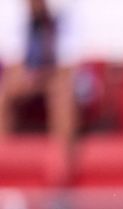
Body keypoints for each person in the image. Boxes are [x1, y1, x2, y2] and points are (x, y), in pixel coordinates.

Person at [0, 0, 75, 143]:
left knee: (62, 94)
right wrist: (26, 79)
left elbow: (67, 67)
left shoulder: (62, 22)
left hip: (56, 79)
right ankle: (3, 154)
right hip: (28, 79)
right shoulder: (19, 23)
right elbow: (14, 64)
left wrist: (41, 78)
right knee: (3, 95)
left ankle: (62, 156)